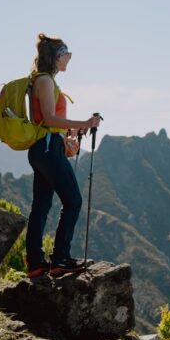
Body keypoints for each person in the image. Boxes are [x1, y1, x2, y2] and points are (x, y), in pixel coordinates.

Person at [25, 33, 102, 278]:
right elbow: (48, 118)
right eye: (66, 54)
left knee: (42, 205)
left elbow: (47, 122)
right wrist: (86, 122)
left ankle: (36, 262)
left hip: (43, 147)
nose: (68, 59)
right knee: (73, 201)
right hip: (48, 148)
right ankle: (60, 259)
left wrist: (71, 130)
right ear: (57, 56)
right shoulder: (45, 81)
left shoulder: (41, 80)